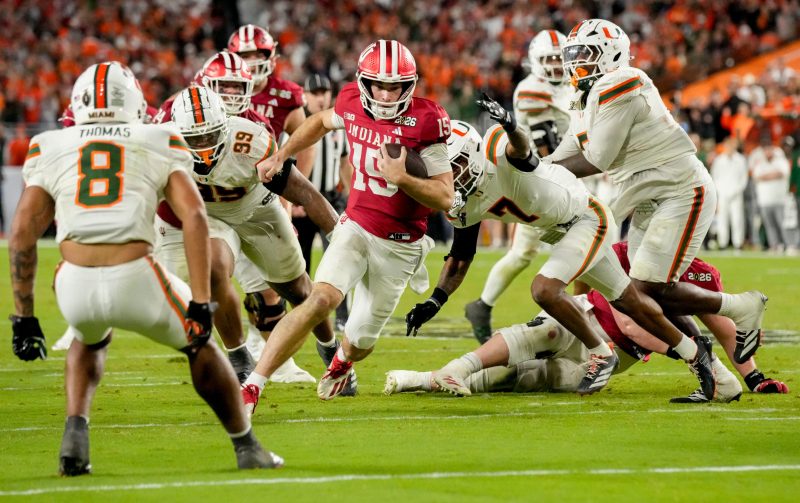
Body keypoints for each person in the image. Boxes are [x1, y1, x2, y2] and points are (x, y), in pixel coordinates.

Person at [8, 62, 281, 474]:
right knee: (200, 345)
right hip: (133, 273)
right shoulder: (158, 138)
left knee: (87, 338)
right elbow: (194, 216)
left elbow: (22, 233)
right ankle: (248, 446)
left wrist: (23, 317)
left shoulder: (49, 144)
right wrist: (201, 302)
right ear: (134, 102)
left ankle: (74, 439)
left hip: (74, 280)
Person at [406, 114, 717, 399]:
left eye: (456, 166)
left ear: (473, 153)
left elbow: (522, 151)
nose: (451, 177)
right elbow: (460, 256)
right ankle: (695, 354)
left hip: (587, 217)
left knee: (544, 289)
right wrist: (436, 300)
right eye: (445, 170)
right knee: (629, 300)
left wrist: (511, 127)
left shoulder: (495, 151)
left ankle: (600, 353)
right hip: (562, 231)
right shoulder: (461, 204)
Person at [241, 39, 454, 409]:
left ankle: (342, 361)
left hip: (401, 245)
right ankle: (252, 386)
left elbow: (445, 197)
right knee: (320, 299)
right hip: (355, 226)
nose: (385, 94)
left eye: (395, 86)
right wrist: (282, 154)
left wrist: (403, 178)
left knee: (359, 342)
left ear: (410, 85)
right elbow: (319, 122)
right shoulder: (351, 101)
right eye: (378, 85)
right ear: (363, 82)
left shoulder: (426, 120)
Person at [552, 19, 767, 364]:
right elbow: (563, 154)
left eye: (585, 53)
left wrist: (537, 169)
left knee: (648, 288)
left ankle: (741, 307)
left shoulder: (622, 81)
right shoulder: (582, 98)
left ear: (611, 53)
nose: (576, 61)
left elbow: (597, 158)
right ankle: (712, 365)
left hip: (680, 190)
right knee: (641, 292)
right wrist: (530, 167)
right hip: (648, 198)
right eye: (573, 53)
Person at [163, 86, 339, 384]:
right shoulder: (163, 146)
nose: (204, 145)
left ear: (225, 125)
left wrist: (340, 235)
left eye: (210, 135)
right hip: (208, 215)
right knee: (213, 269)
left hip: (257, 209)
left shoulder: (250, 140)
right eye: (194, 138)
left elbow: (305, 193)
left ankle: (331, 351)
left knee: (299, 290)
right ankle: (238, 357)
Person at [464, 30, 572, 343]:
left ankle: (482, 306)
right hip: (541, 178)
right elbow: (548, 144)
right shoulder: (531, 90)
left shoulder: (568, 85)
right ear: (535, 61)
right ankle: (573, 316)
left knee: (525, 253)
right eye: (549, 59)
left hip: (555, 176)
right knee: (578, 244)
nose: (556, 65)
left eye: (559, 59)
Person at [292, 74, 354, 331]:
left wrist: (351, 197)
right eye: (315, 93)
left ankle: (342, 316)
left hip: (330, 199)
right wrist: (291, 200)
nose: (320, 98)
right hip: (302, 201)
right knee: (299, 263)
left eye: (324, 92)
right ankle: (301, 316)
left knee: (338, 257)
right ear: (305, 95)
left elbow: (344, 163)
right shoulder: (297, 123)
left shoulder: (337, 124)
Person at [749, 136, 791, 252]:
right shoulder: (760, 163)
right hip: (764, 200)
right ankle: (775, 245)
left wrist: (765, 176)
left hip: (779, 199)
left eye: (769, 149)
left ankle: (788, 245)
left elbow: (782, 173)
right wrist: (773, 174)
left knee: (783, 224)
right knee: (770, 225)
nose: (767, 152)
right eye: (765, 150)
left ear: (773, 149)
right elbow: (756, 177)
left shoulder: (780, 160)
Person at [709, 136, 748, 250]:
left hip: (736, 194)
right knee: (722, 219)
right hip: (722, 194)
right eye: (728, 145)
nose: (730, 147)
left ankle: (738, 243)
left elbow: (744, 179)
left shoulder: (740, 160)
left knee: (737, 219)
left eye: (732, 145)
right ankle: (723, 243)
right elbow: (714, 177)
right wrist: (720, 191)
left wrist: (736, 190)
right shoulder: (719, 160)